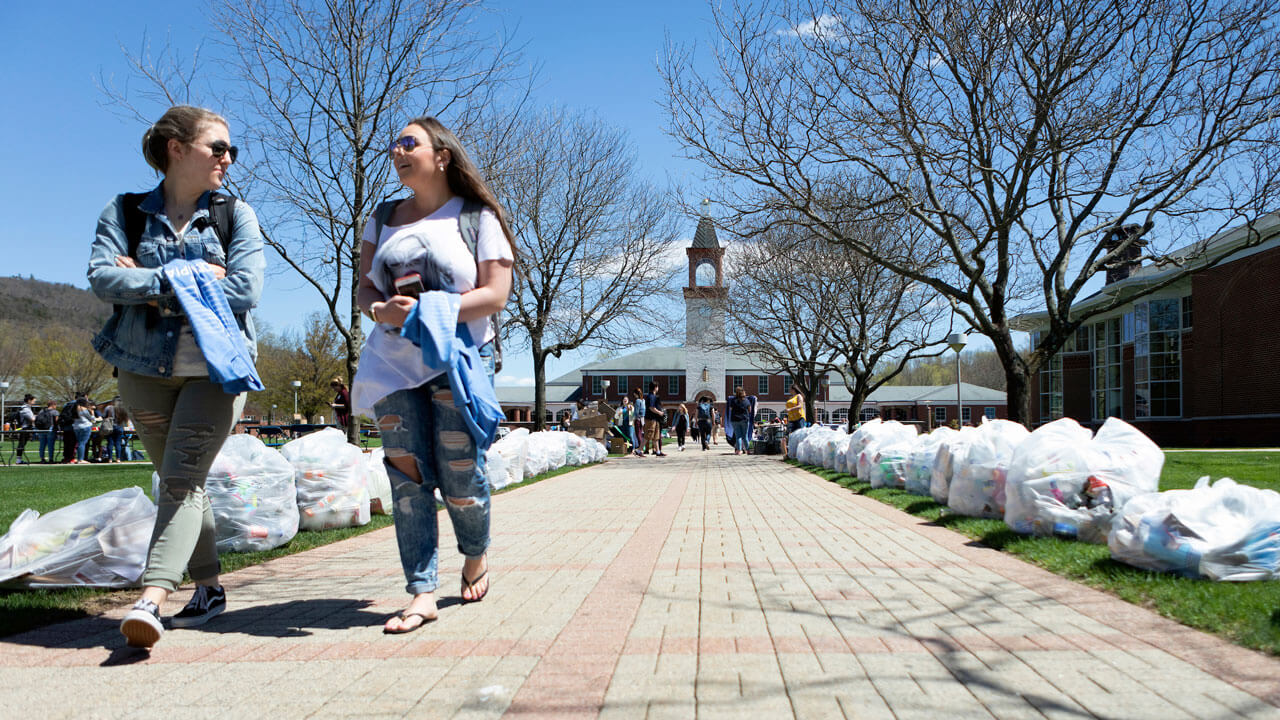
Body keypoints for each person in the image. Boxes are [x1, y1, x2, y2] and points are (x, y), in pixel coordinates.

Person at [88, 105, 265, 649]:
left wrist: (143, 277)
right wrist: (185, 275)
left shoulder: (237, 216)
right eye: (218, 147)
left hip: (216, 373)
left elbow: (245, 291)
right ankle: (209, 590)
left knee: (183, 480)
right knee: (180, 484)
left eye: (231, 149)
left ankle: (152, 597)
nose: (228, 158)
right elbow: (100, 279)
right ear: (176, 148)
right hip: (142, 371)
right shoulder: (125, 211)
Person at [352, 116, 514, 634]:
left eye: (409, 143)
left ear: (441, 155)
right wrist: (382, 313)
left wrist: (424, 313)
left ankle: (475, 554)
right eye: (394, 145)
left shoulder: (476, 217)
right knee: (407, 478)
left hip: (459, 359)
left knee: (460, 470)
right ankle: (421, 591)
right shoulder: (382, 219)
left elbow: (495, 294)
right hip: (394, 365)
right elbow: (365, 289)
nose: (397, 151)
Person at [727, 386, 755, 455]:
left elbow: (730, 409)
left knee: (738, 436)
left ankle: (739, 451)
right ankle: (748, 450)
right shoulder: (746, 400)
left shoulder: (733, 400)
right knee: (745, 436)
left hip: (735, 420)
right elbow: (750, 410)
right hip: (744, 420)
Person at [643, 381, 666, 456]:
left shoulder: (653, 396)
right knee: (648, 435)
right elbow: (651, 408)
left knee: (656, 437)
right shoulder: (651, 396)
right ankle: (639, 450)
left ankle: (658, 452)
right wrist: (659, 412)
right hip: (650, 419)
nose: (658, 388)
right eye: (657, 387)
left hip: (655, 419)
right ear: (655, 387)